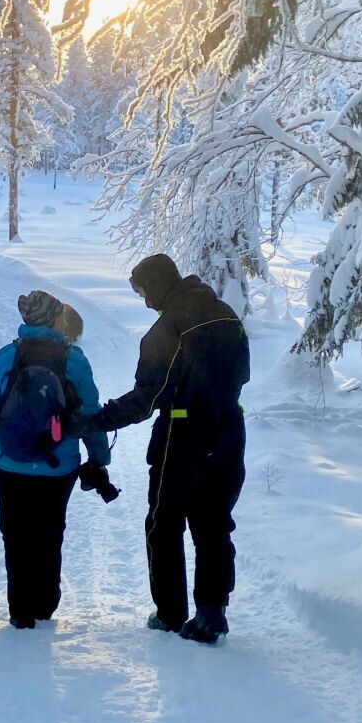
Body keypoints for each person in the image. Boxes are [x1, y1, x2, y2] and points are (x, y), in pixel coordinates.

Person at [83, 254, 249, 643]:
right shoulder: (227, 315)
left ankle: (171, 613)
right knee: (214, 522)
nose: (144, 301)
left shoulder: (167, 329)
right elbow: (243, 374)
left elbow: (146, 399)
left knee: (164, 522)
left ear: (157, 285)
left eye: (143, 292)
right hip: (229, 428)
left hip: (183, 433)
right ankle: (212, 614)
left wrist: (98, 420)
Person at [0, 290, 111, 629]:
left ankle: (20, 609)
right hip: (57, 466)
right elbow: (90, 414)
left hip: (8, 464)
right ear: (54, 319)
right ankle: (45, 604)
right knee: (50, 531)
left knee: (15, 532)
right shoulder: (74, 361)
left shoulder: (6, 357)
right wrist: (99, 457)